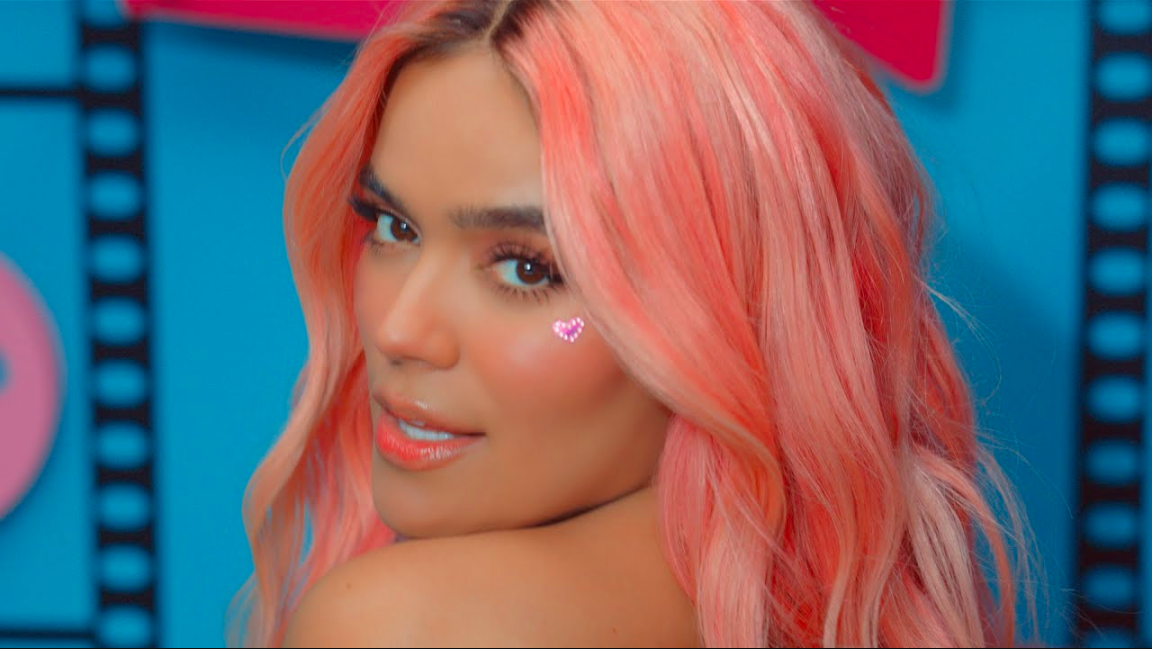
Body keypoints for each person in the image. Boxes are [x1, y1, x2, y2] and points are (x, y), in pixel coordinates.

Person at [227, 0, 1041, 646]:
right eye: (392, 227)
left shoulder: (402, 626)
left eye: (527, 269)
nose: (400, 329)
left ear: (721, 309)